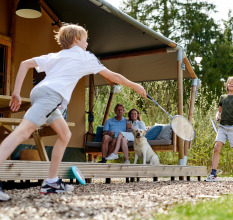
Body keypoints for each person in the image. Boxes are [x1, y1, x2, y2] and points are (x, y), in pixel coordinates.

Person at [0, 24, 146, 200]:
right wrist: (135, 85)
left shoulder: (57, 55)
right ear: (77, 39)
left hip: (41, 93)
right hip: (50, 96)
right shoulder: (85, 56)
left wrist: (15, 92)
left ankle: (51, 182)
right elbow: (113, 76)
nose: (86, 43)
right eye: (85, 39)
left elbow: (24, 64)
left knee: (65, 134)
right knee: (21, 134)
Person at [205, 76, 233, 184]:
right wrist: (217, 116)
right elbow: (219, 111)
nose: (230, 84)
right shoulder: (223, 97)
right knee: (216, 148)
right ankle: (213, 174)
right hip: (222, 127)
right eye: (229, 82)